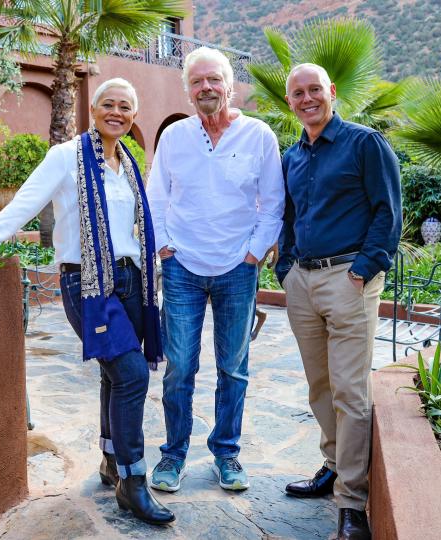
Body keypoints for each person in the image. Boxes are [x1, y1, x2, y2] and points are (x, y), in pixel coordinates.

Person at [0, 78, 174, 526]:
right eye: (108, 104)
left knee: (114, 376)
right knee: (132, 375)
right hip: (87, 283)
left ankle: (110, 460)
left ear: (134, 114)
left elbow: (137, 229)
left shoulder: (128, 163)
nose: (116, 112)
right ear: (94, 110)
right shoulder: (66, 158)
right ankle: (133, 482)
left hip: (130, 281)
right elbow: (24, 202)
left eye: (126, 106)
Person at [147, 47, 285, 493]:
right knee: (179, 368)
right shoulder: (175, 137)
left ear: (230, 85)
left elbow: (274, 202)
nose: (205, 88)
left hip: (237, 270)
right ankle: (173, 455)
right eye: (197, 81)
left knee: (233, 367)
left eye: (213, 80)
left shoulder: (259, 135)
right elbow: (157, 197)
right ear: (188, 90)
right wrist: (166, 247)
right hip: (183, 266)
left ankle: (226, 454)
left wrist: (253, 253)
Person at [275, 63, 401, 540]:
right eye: (297, 93)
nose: (306, 99)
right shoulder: (293, 156)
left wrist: (362, 270)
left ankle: (352, 502)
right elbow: (289, 217)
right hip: (302, 281)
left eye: (314, 90)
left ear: (331, 91)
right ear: (290, 102)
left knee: (350, 391)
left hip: (349, 279)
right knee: (320, 386)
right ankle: (333, 465)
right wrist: (285, 269)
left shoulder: (365, 143)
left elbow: (389, 211)